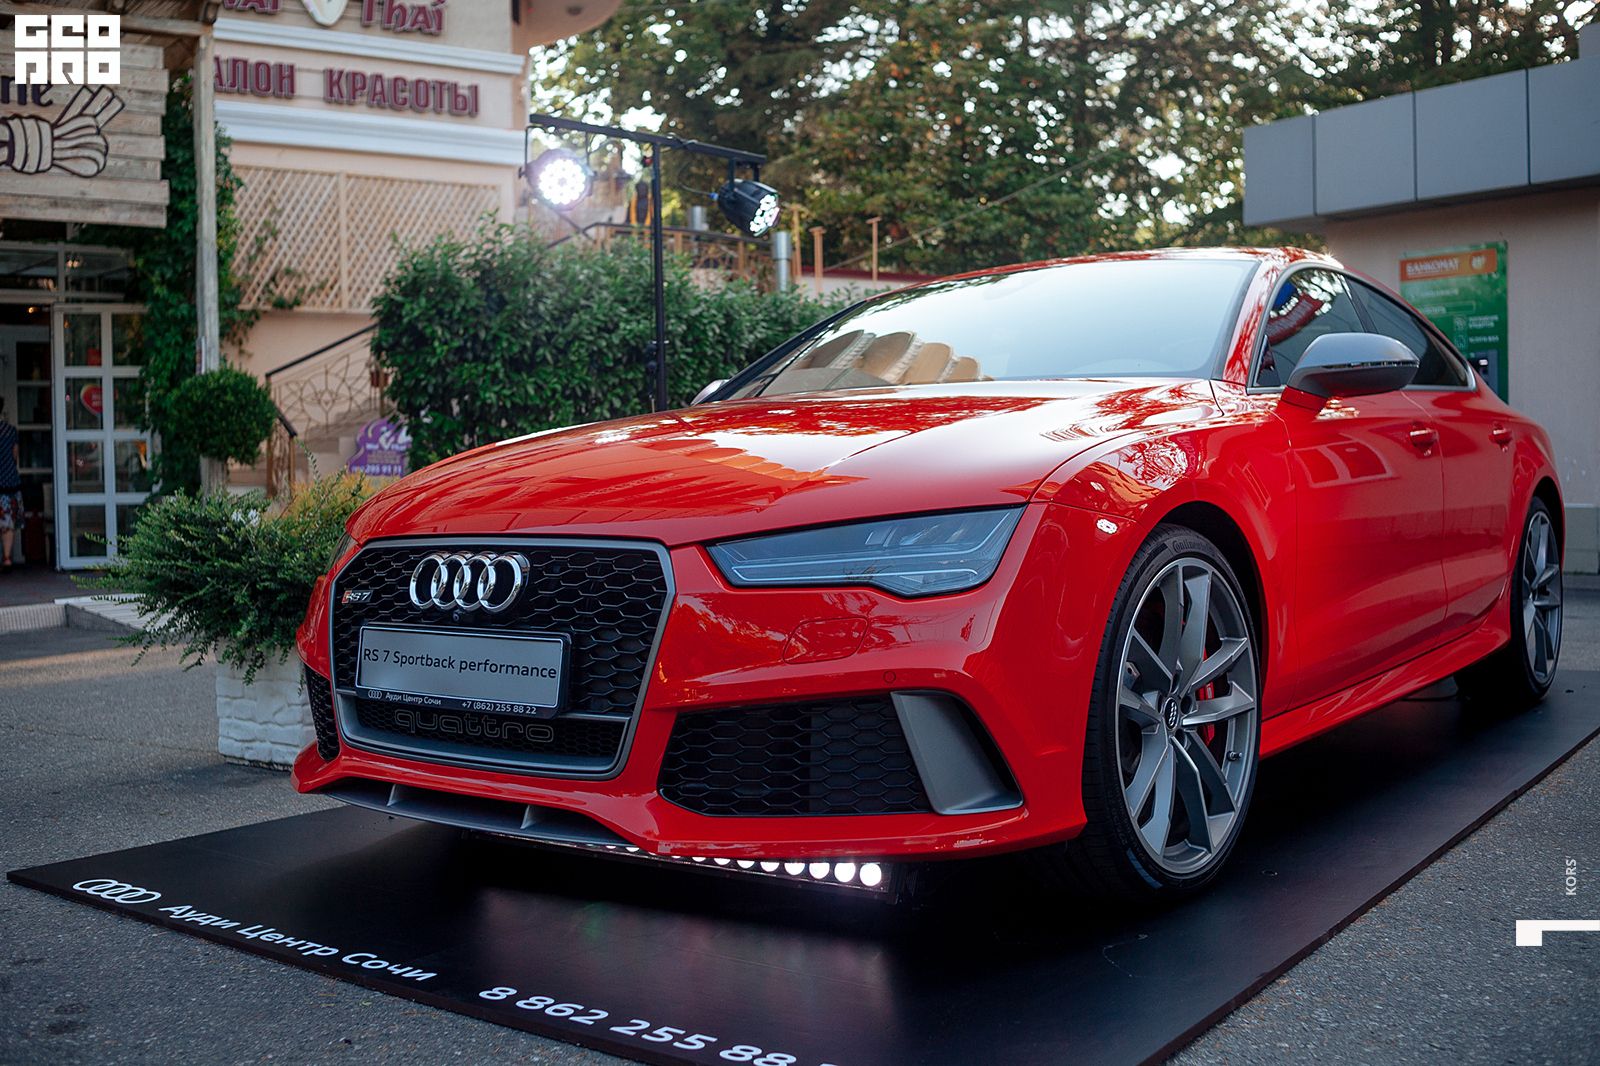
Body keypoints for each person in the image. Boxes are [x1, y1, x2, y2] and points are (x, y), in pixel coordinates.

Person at [0, 397, 20, 574]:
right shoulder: (11, 430)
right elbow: (15, 456)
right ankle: (7, 558)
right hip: (8, 482)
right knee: (7, 522)